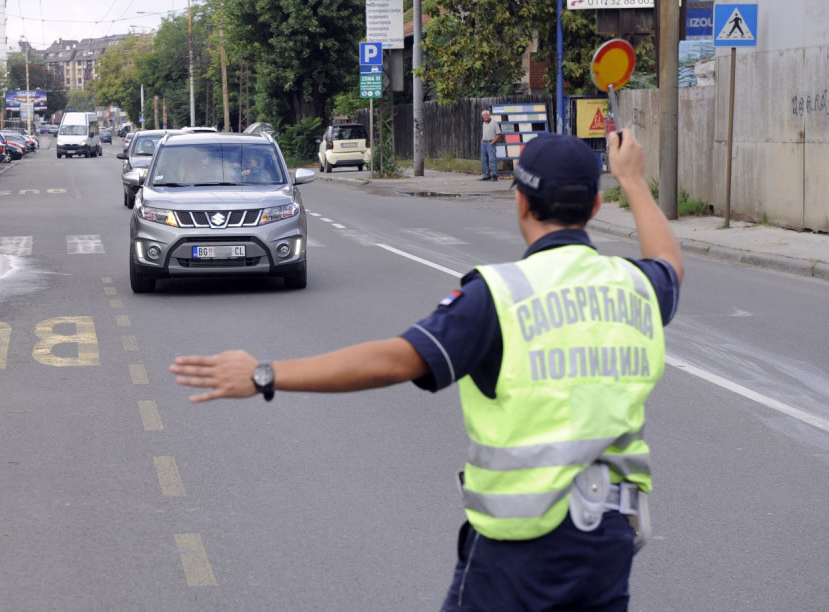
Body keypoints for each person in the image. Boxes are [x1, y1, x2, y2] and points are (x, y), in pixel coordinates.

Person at [169, 129, 683, 611]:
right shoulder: (635, 287)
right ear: (595, 207)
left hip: (522, 549)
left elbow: (397, 360)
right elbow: (669, 263)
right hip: (609, 541)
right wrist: (634, 181)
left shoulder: (500, 295)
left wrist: (265, 374)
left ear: (521, 203)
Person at [479, 110, 503, 181]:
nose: (485, 117)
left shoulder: (494, 123)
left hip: (490, 143)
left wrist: (493, 142)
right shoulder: (484, 123)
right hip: (484, 143)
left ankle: (495, 175)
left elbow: (498, 134)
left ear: (489, 115)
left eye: (486, 115)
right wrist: (482, 140)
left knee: (492, 160)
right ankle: (486, 175)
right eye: (483, 116)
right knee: (484, 160)